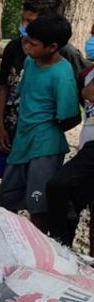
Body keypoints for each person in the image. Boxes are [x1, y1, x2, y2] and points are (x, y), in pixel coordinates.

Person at [0, 0, 88, 202]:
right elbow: (5, 85)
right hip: (14, 132)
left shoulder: (65, 60)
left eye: (30, 21)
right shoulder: (19, 51)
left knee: (37, 199)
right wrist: (2, 126)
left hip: (41, 142)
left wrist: (44, 130)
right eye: (23, 19)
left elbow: (75, 104)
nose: (24, 26)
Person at [0, 14, 79, 233]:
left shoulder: (62, 74)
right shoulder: (30, 63)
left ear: (52, 47)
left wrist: (46, 131)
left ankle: (39, 251)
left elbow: (72, 115)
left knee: (38, 204)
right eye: (26, 40)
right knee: (6, 198)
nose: (26, 46)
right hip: (22, 141)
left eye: (32, 44)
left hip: (45, 148)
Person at [47, 22, 94, 251]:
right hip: (87, 146)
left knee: (58, 185)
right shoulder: (87, 73)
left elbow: (91, 93)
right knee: (71, 201)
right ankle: (63, 250)